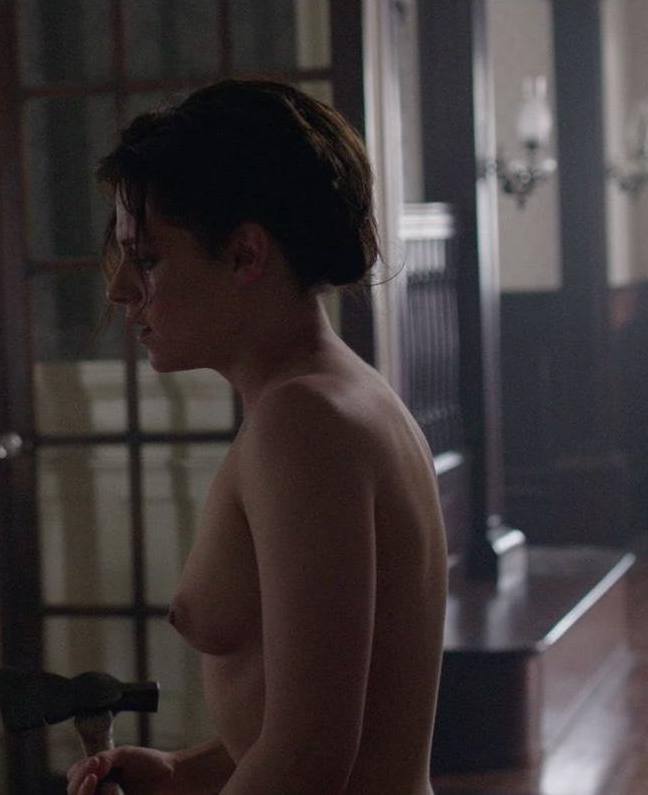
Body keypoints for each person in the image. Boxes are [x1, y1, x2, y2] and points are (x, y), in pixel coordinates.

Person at [67, 80, 448, 795]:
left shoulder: (303, 425)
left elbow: (309, 762)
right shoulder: (339, 400)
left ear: (245, 254)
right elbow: (323, 717)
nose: (119, 290)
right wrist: (183, 772)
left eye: (146, 258)